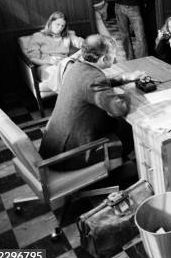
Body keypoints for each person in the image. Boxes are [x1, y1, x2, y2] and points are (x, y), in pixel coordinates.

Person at [39, 35, 144, 170]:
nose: (115, 57)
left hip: (54, 146)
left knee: (117, 123)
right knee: (128, 130)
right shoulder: (94, 79)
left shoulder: (76, 67)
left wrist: (124, 78)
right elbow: (120, 108)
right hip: (68, 156)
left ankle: (116, 165)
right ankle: (119, 173)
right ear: (104, 58)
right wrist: (129, 94)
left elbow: (92, 85)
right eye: (113, 54)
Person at [26, 11, 84, 85]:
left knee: (78, 69)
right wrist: (50, 61)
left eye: (63, 26)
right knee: (69, 74)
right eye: (58, 24)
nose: (60, 28)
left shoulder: (67, 35)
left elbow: (82, 42)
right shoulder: (38, 36)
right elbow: (32, 59)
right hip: (46, 66)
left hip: (65, 63)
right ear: (50, 23)